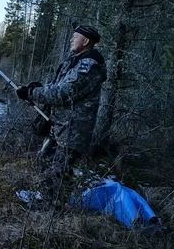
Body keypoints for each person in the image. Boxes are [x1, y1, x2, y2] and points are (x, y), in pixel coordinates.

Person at [16, 25, 107, 197]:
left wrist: (31, 93)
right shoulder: (75, 61)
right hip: (60, 126)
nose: (71, 39)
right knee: (44, 162)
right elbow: (57, 86)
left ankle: (50, 209)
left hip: (73, 131)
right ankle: (43, 197)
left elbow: (62, 93)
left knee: (58, 173)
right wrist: (38, 89)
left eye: (75, 36)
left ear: (86, 41)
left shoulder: (88, 66)